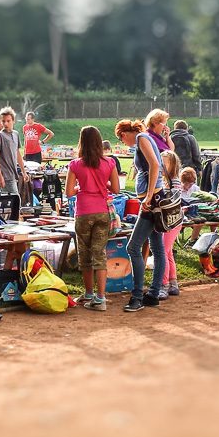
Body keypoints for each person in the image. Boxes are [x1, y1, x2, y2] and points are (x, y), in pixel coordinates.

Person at [116, 113, 166, 311]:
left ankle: (137, 297)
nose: (123, 142)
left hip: (152, 200)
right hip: (155, 197)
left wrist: (148, 195)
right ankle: (153, 294)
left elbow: (155, 164)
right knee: (157, 247)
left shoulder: (141, 138)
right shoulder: (144, 138)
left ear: (126, 132)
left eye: (121, 137)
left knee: (133, 247)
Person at [65, 126, 118, 312]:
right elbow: (117, 189)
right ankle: (101, 298)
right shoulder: (109, 162)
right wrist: (105, 183)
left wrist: (81, 188)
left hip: (83, 212)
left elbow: (69, 192)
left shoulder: (75, 164)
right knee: (100, 254)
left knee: (85, 254)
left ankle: (88, 292)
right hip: (102, 211)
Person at [158, 150, 183, 297]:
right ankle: (173, 283)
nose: (161, 164)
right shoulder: (165, 180)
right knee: (167, 252)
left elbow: (173, 200)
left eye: (164, 162)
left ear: (172, 164)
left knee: (163, 251)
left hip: (172, 219)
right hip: (169, 219)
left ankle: (164, 284)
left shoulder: (174, 181)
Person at [0, 107, 30, 198]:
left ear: (13, 121)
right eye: (3, 121)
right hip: (5, 175)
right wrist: (0, 176)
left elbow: (17, 153)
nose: (5, 123)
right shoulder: (0, 136)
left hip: (13, 174)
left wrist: (24, 172)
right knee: (15, 201)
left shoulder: (16, 134)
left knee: (11, 204)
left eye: (8, 121)